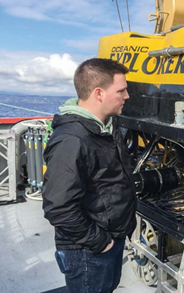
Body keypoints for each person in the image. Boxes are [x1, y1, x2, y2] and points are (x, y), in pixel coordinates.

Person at [42, 58, 137, 293]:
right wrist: (101, 243)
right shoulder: (72, 140)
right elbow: (59, 208)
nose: (127, 96)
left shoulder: (105, 127)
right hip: (88, 250)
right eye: (121, 90)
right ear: (99, 93)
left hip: (111, 237)